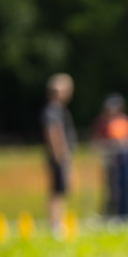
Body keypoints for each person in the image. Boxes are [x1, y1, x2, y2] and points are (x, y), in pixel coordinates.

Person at [41, 73, 78, 233]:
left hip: (60, 156)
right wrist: (61, 156)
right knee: (57, 191)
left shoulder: (57, 109)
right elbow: (54, 132)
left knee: (61, 190)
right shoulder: (53, 110)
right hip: (59, 157)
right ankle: (55, 225)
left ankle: (58, 223)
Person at [91, 93, 128, 219]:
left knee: (127, 187)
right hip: (111, 162)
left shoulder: (125, 121)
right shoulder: (102, 123)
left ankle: (127, 213)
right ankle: (110, 215)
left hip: (125, 162)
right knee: (112, 190)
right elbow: (97, 142)